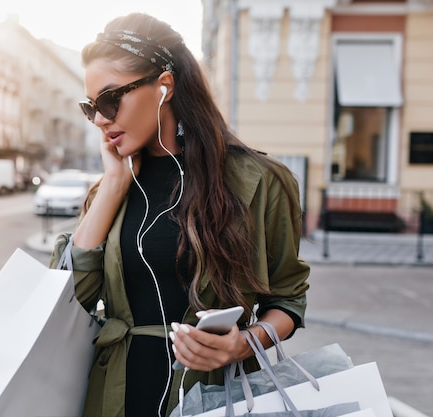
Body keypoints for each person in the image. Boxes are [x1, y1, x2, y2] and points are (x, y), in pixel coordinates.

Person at [50, 12, 310, 417]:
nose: (101, 118)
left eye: (109, 99)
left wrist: (244, 343)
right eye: (91, 107)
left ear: (163, 87)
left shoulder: (259, 181)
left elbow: (289, 299)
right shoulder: (108, 189)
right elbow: (66, 303)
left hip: (215, 397)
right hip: (116, 396)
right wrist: (115, 185)